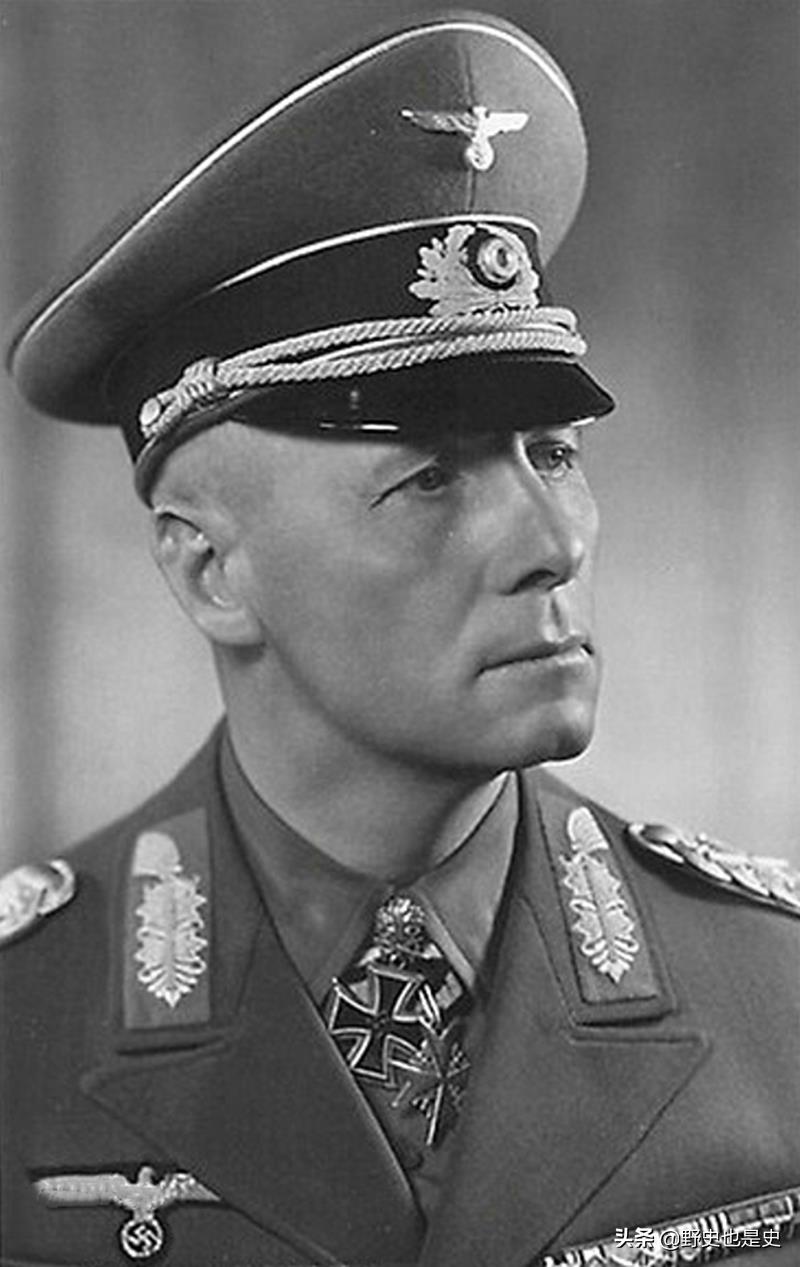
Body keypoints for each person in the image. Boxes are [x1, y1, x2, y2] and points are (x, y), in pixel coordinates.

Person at [1, 10, 798, 1266]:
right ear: (210, 570)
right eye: (428, 478)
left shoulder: (776, 991)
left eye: (554, 453)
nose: (552, 540)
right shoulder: (22, 1018)